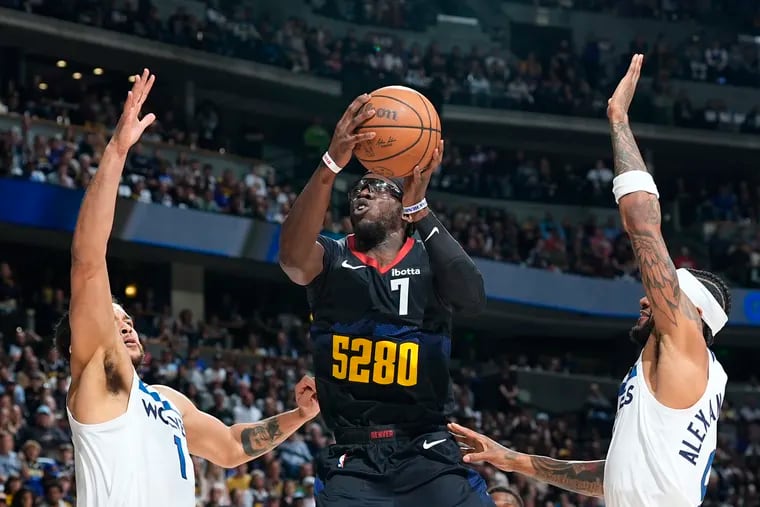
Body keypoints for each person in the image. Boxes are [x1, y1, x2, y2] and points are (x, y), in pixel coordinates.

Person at [448, 54, 731, 507]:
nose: (647, 299)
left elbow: (642, 222)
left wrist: (618, 119)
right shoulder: (687, 379)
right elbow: (615, 477)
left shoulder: (685, 340)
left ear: (692, 314)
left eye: (667, 297)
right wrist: (515, 460)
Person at [58, 69, 320, 507]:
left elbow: (232, 448)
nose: (125, 326)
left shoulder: (167, 401)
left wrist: (301, 415)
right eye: (112, 318)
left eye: (127, 319)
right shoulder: (97, 377)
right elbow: (88, 261)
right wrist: (118, 150)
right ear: (79, 342)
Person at [279, 93, 492, 506]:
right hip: (352, 457)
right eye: (357, 188)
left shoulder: (428, 256)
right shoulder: (332, 257)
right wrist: (330, 164)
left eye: (376, 187)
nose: (362, 193)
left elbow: (472, 298)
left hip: (425, 448)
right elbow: (291, 259)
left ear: (400, 205)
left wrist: (421, 208)